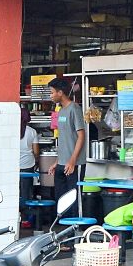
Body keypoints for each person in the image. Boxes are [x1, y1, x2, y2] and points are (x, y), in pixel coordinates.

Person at [49, 77, 85, 217]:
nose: (51, 96)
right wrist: (57, 161)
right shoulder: (61, 111)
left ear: (60, 92)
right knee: (62, 199)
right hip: (62, 163)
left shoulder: (74, 108)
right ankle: (64, 232)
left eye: (52, 92)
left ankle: (76, 231)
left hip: (74, 164)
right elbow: (65, 139)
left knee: (75, 198)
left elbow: (81, 136)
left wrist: (72, 160)